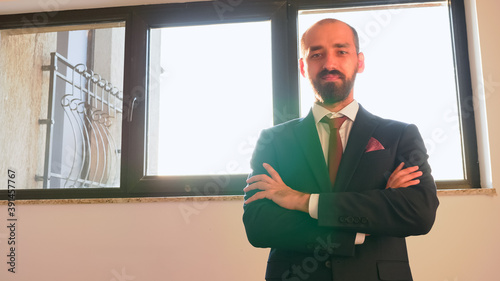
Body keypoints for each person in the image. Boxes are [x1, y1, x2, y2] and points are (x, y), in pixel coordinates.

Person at [242, 18, 439, 281]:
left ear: (360, 61)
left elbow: (419, 213)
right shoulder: (274, 140)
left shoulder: (399, 135)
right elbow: (260, 226)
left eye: (341, 51)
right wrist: (369, 218)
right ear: (303, 66)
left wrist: (301, 201)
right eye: (316, 54)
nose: (329, 64)